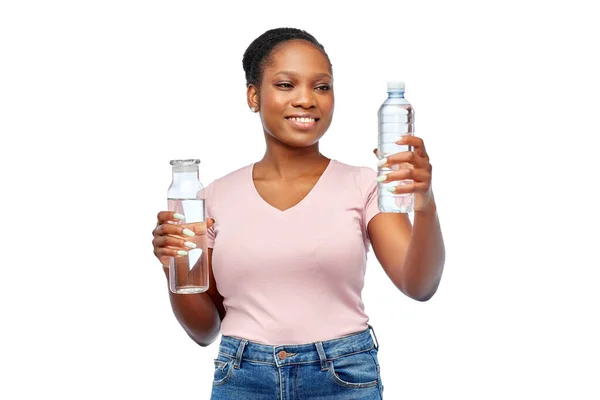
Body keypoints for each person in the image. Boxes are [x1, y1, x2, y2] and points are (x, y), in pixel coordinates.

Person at [152, 27, 445, 399]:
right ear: (253, 96)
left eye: (321, 87)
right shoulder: (210, 199)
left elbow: (419, 285)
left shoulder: (364, 185)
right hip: (243, 379)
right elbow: (204, 331)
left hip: (343, 377)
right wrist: (172, 267)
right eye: (286, 85)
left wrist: (426, 201)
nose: (306, 100)